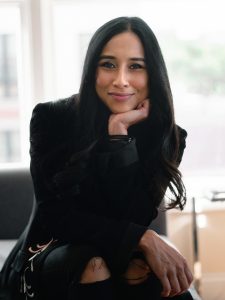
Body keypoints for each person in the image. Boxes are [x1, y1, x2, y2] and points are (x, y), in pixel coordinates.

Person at [0, 16, 194, 300]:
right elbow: (56, 217)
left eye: (136, 66)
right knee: (93, 265)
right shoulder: (52, 118)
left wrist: (119, 137)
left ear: (152, 74)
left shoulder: (168, 137)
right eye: (108, 64)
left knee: (151, 278)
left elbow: (134, 216)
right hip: (48, 253)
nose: (121, 80)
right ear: (92, 70)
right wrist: (144, 237)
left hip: (116, 253)